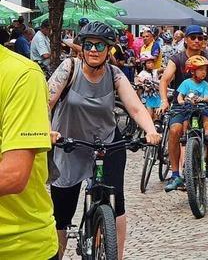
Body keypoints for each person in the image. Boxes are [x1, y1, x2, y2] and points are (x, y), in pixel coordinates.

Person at [48, 22, 161, 260]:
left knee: (116, 201)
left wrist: (151, 131)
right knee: (62, 211)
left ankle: (115, 255)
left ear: (109, 49)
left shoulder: (114, 74)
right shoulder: (69, 68)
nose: (94, 50)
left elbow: (136, 108)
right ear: (82, 47)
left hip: (106, 143)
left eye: (100, 45)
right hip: (68, 143)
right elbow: (45, 102)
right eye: (89, 44)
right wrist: (48, 131)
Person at [0, 43, 58, 259]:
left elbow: (13, 175)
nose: (94, 50)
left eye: (100, 46)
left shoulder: (22, 74)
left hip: (18, 248)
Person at [159, 25, 208, 190]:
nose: (197, 41)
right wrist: (164, 100)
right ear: (186, 40)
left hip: (203, 103)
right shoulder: (177, 58)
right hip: (182, 104)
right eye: (193, 37)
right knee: (175, 130)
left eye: (201, 38)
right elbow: (164, 80)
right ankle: (176, 174)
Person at [177, 55, 208, 138]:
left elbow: (207, 98)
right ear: (192, 72)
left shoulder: (205, 84)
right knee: (186, 118)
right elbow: (180, 96)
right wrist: (181, 101)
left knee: (206, 117)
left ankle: (207, 133)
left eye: (205, 70)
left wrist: (202, 99)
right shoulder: (186, 83)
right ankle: (184, 133)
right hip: (189, 106)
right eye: (201, 70)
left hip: (201, 106)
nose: (204, 72)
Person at [135, 54, 162, 120]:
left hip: (157, 96)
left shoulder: (155, 71)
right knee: (149, 116)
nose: (151, 64)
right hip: (147, 96)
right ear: (144, 65)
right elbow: (137, 79)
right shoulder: (142, 73)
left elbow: (162, 70)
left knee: (157, 116)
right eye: (149, 63)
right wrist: (141, 81)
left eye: (152, 62)